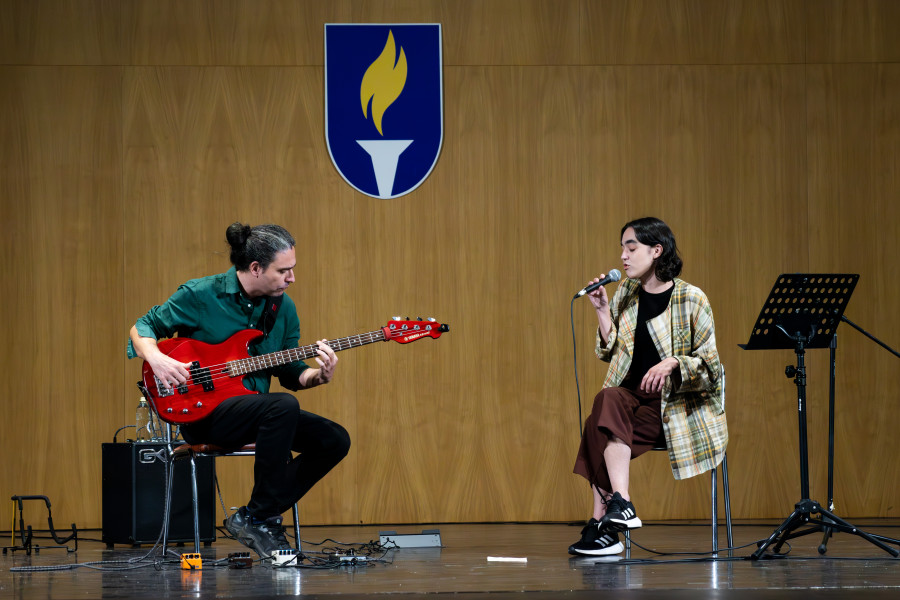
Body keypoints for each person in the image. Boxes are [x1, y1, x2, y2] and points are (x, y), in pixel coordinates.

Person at [127, 222, 351, 558]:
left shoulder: (283, 308)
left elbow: (290, 371)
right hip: (203, 412)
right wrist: (157, 359)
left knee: (334, 440)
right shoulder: (201, 294)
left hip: (258, 412)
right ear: (256, 268)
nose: (291, 278)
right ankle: (262, 519)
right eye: (284, 271)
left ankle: (254, 515)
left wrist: (319, 376)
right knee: (282, 406)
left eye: (293, 269)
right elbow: (142, 327)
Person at [569, 217, 727, 556]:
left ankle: (603, 526)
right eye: (622, 249)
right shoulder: (626, 292)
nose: (623, 256)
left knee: (597, 426)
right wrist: (601, 312)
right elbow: (609, 352)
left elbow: (711, 367)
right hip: (629, 399)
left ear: (657, 250)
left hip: (672, 406)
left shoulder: (691, 299)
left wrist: (673, 362)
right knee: (607, 400)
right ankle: (622, 505)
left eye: (631, 248)